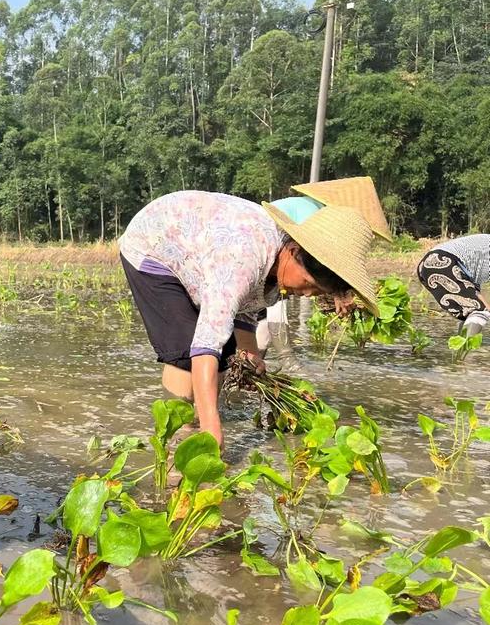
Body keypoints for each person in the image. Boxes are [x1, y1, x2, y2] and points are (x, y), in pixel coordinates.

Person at [119, 190, 379, 447]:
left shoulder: (277, 264)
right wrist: (213, 429)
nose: (309, 293)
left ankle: (200, 421)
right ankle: (180, 434)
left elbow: (245, 303)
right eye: (309, 283)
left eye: (318, 291)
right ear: (293, 251)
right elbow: (206, 345)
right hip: (155, 244)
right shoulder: (243, 258)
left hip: (201, 252)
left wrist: (249, 352)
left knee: (226, 354)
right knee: (186, 352)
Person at [255, 178, 394, 356]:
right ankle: (286, 359)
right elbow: (315, 263)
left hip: (279, 269)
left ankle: (255, 364)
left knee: (258, 322)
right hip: (271, 265)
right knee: (268, 317)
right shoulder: (315, 216)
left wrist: (338, 291)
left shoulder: (317, 214)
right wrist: (337, 293)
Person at [416, 234, 490, 339]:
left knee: (470, 312)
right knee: (478, 310)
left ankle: (460, 345)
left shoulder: (480, 256)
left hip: (427, 265)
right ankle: (467, 348)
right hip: (443, 262)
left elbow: (473, 289)